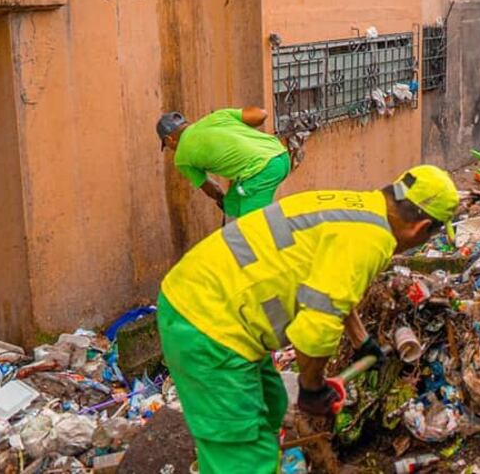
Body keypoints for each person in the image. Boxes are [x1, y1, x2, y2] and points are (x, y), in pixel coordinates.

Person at [157, 165, 459, 474]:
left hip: (208, 301)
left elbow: (330, 291)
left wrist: (362, 341)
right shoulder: (372, 240)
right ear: (421, 228)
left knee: (271, 403)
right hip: (207, 326)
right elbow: (315, 328)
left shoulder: (358, 206)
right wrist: (311, 388)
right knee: (242, 445)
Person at [158, 107, 291, 219]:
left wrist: (220, 199)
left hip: (261, 171)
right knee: (231, 205)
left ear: (169, 140)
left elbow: (211, 189)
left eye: (168, 146)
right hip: (281, 155)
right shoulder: (218, 116)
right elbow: (261, 114)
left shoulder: (181, 158)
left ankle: (265, 246)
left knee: (252, 227)